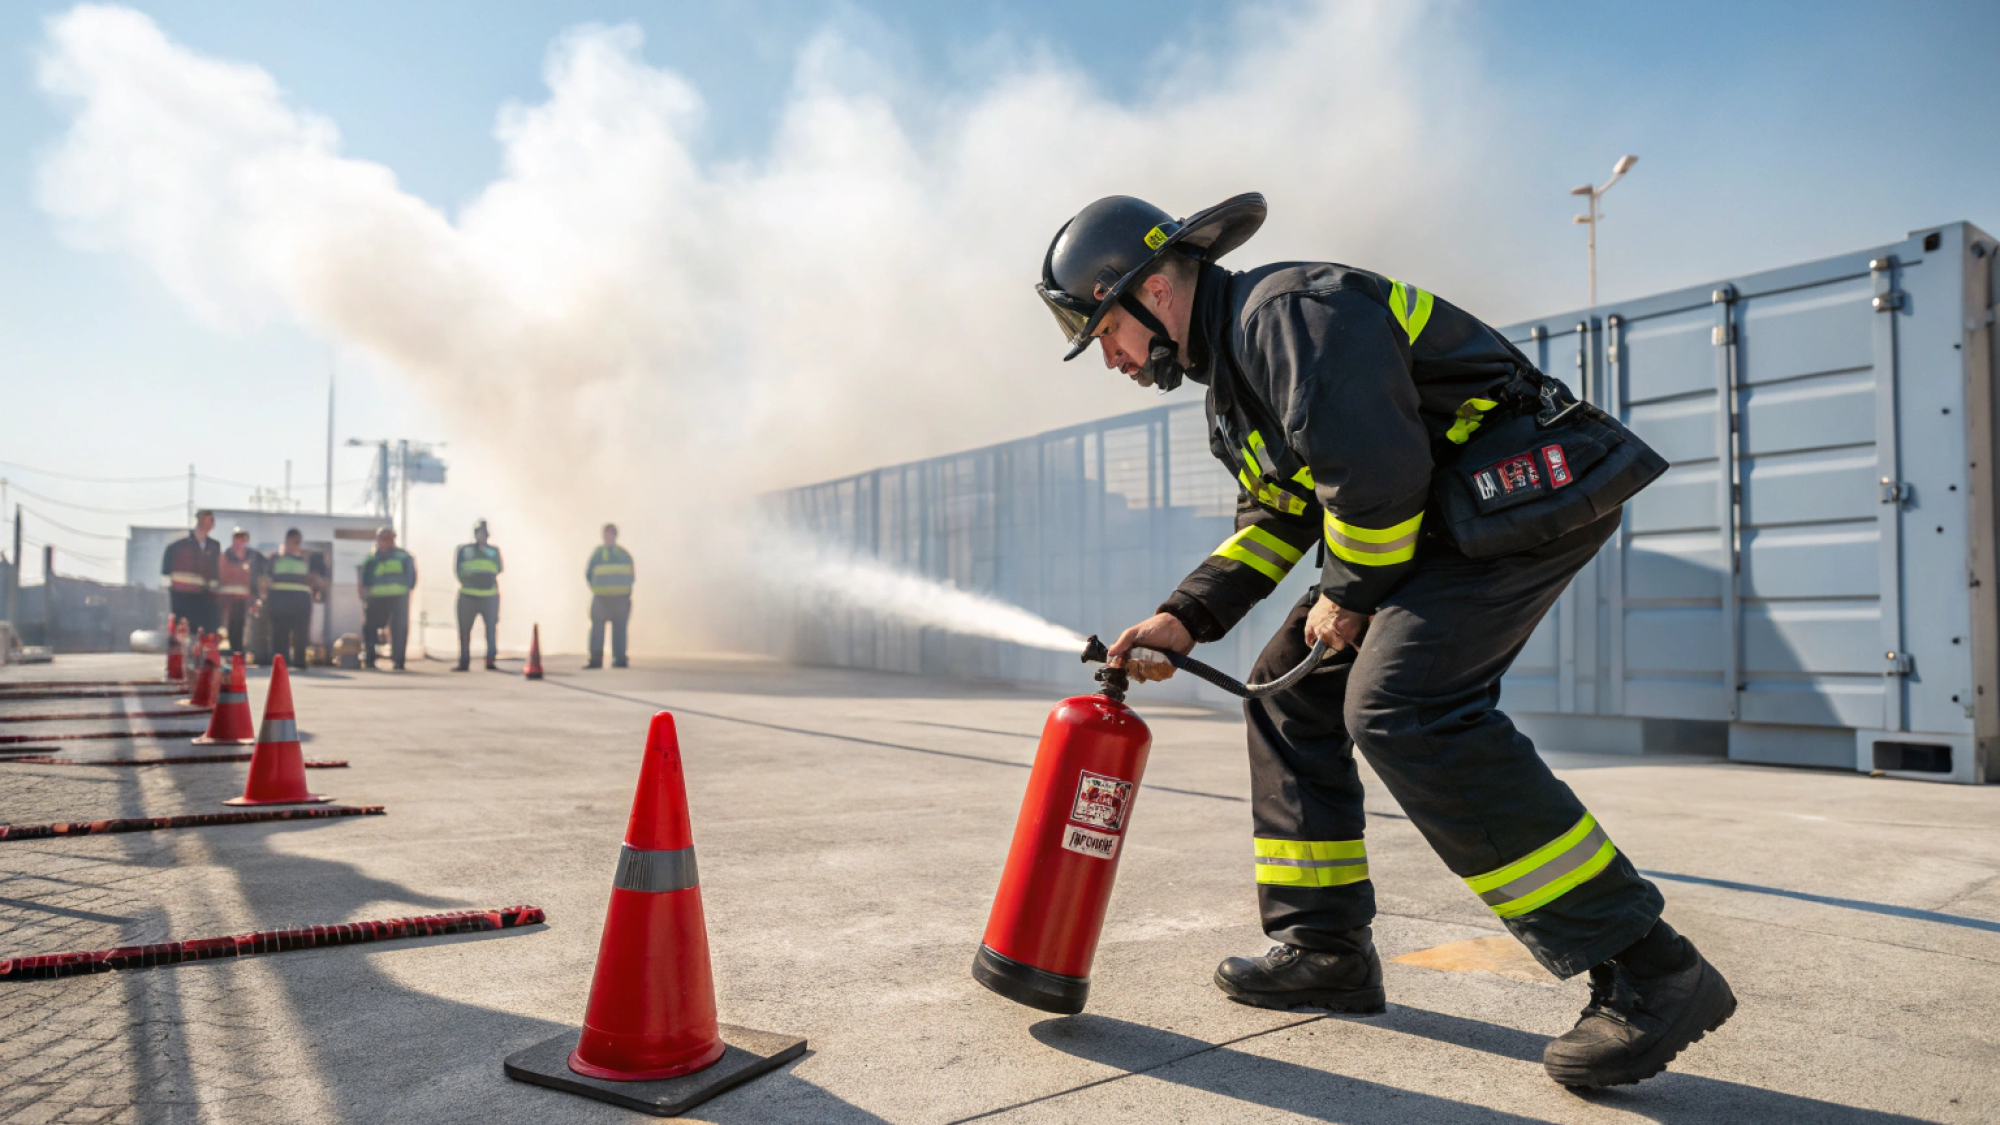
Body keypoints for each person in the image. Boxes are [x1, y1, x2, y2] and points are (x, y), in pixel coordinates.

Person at [1040, 192, 1730, 1089]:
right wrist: (1187, 615)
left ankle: (1649, 966)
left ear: (1152, 290)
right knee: (1288, 690)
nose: (1111, 359)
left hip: (1515, 488)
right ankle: (1322, 945)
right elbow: (1279, 517)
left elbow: (1376, 474)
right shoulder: (1235, 383)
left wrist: (1351, 594)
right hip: (1439, 513)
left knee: (1406, 707)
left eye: (1104, 333)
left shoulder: (1287, 312)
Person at [262, 528, 324, 670]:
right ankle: (280, 662)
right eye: (293, 541)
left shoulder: (307, 558)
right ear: (286, 541)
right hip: (279, 600)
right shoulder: (275, 558)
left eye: (298, 541)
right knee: (279, 632)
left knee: (301, 633)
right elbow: (266, 578)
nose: (296, 544)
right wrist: (265, 597)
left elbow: (315, 579)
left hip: (301, 600)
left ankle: (300, 661)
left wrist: (316, 591)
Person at [356, 527, 416, 672]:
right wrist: (363, 596)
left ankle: (398, 661)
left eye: (388, 539)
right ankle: (370, 660)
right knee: (370, 628)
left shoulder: (404, 556)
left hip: (398, 598)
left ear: (392, 540)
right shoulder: (370, 559)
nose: (385, 542)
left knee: (399, 629)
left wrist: (407, 591)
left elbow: (411, 577)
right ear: (378, 540)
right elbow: (363, 580)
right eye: (382, 539)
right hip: (376, 598)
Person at [159, 510, 220, 636]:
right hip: (181, 595)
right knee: (181, 627)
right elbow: (166, 570)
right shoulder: (179, 546)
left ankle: (196, 652)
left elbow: (216, 570)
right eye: (208, 520)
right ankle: (179, 651)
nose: (211, 524)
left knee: (201, 627)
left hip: (202, 595)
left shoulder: (214, 546)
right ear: (200, 520)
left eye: (212, 520)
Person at [454, 519, 503, 672]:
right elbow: (457, 569)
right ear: (475, 534)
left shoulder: (493, 551)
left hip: (489, 596)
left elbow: (499, 569)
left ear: (487, 535)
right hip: (468, 596)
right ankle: (464, 661)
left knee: (490, 629)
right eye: (479, 532)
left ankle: (490, 660)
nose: (481, 535)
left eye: (484, 533)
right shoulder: (464, 550)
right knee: (464, 630)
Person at [584, 523, 633, 669]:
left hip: (619, 600)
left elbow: (631, 576)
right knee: (598, 630)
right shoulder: (599, 554)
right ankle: (596, 659)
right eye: (607, 534)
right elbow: (588, 574)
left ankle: (620, 658)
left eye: (611, 534)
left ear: (615, 536)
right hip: (603, 599)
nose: (609, 536)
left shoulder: (621, 554)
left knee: (619, 630)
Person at [216, 527, 264, 661]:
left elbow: (259, 575)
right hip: (229, 599)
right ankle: (234, 651)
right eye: (237, 538)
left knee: (243, 626)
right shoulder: (227, 555)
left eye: (242, 538)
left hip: (245, 599)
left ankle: (241, 651)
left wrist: (257, 597)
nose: (239, 541)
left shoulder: (253, 556)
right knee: (231, 626)